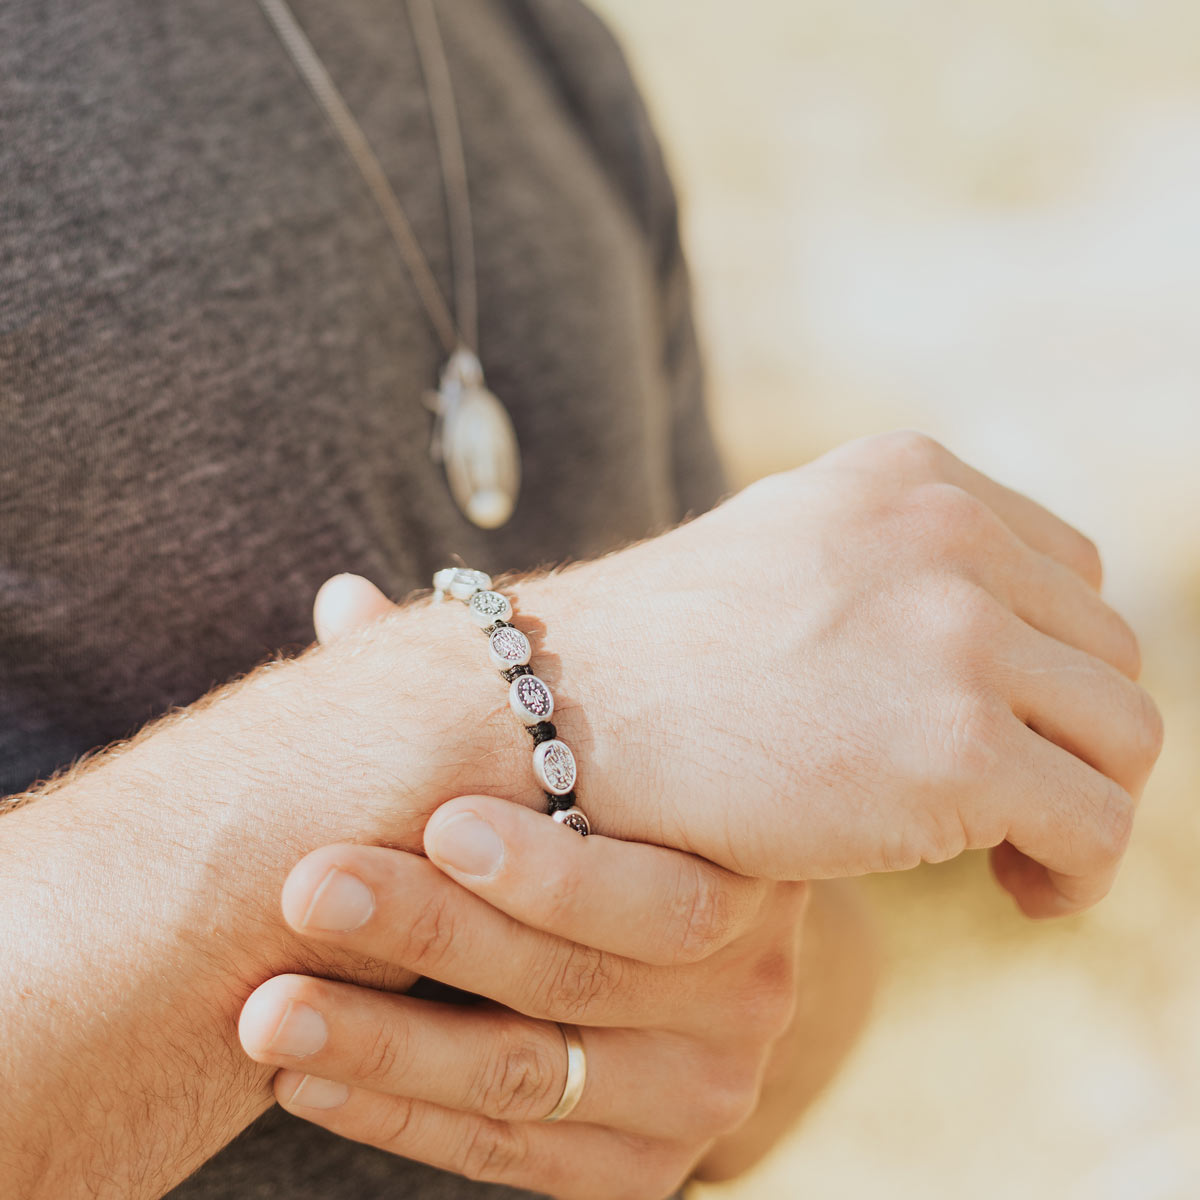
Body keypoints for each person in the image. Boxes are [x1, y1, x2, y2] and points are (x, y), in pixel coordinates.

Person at [0, 2, 1161, 1199]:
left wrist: (698, 980)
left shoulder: (529, 46)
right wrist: (470, 717)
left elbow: (783, 1000)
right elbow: (587, 699)